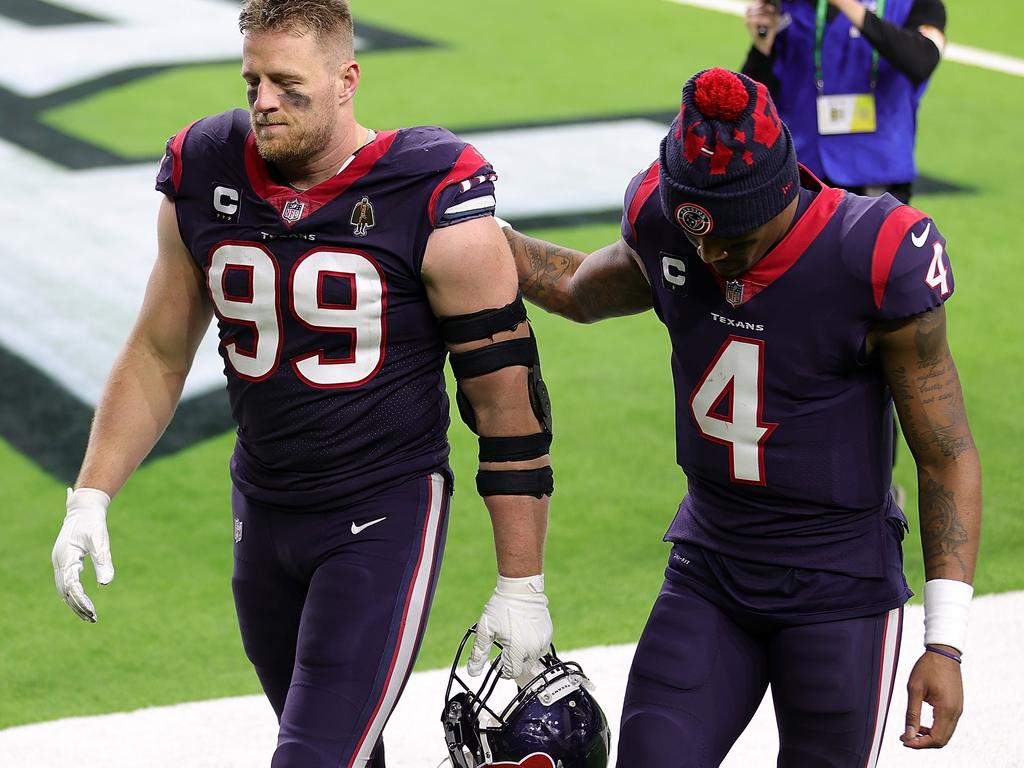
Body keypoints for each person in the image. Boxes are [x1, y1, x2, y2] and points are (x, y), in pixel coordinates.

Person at [50, 1, 556, 765]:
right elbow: (159, 349)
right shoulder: (205, 168)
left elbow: (505, 402)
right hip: (263, 511)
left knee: (314, 755)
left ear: (346, 79)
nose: (262, 102)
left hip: (382, 512)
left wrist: (523, 582)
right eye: (252, 79)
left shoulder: (429, 188)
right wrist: (91, 494)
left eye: (288, 84)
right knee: (344, 747)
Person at [499, 68, 980, 766]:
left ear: (782, 193)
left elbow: (947, 454)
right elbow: (578, 288)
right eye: (699, 239)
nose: (714, 256)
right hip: (710, 568)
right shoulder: (673, 231)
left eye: (736, 238)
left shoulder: (872, 258)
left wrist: (945, 640)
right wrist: (477, 235)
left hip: (837, 586)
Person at [742, 0, 947, 203]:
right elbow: (753, 106)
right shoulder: (790, 6)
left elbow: (922, 60)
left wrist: (848, 6)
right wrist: (762, 48)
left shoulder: (917, 5)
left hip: (877, 173)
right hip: (803, 173)